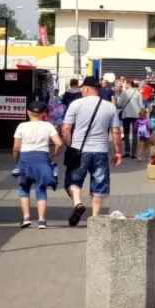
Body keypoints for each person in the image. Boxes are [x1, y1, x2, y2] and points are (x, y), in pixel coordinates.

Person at [60, 77, 122, 225]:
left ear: (87, 89)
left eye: (82, 89)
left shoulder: (76, 104)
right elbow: (116, 132)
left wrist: (70, 145)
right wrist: (118, 152)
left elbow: (66, 129)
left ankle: (78, 204)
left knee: (74, 180)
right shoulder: (110, 107)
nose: (82, 91)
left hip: (79, 150)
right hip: (100, 150)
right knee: (99, 183)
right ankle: (94, 218)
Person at [12, 98, 62, 228]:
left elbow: (16, 148)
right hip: (42, 160)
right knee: (41, 189)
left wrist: (17, 161)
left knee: (24, 189)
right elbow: (58, 143)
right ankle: (41, 220)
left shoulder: (22, 126)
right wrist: (55, 156)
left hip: (25, 160)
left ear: (28, 112)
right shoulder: (48, 126)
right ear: (43, 113)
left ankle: (27, 217)